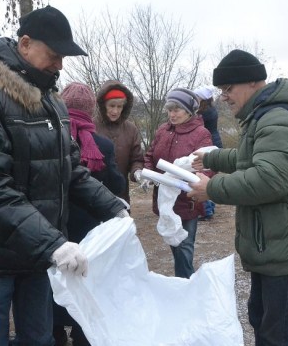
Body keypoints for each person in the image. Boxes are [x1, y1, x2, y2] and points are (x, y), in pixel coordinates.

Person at [0, 6, 128, 346]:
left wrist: (112, 206)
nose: (60, 64)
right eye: (55, 55)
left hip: (37, 254)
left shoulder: (52, 103)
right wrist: (54, 243)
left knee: (39, 338)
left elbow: (69, 168)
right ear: (25, 44)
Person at [187, 49, 288, 345]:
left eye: (228, 88)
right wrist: (214, 159)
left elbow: (269, 179)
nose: (223, 96)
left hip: (284, 250)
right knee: (263, 322)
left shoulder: (278, 118)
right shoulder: (266, 115)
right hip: (272, 245)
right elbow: (253, 157)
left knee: (278, 335)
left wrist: (210, 189)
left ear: (251, 82)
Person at [53, 82, 126, 346]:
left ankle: (56, 332)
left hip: (56, 224)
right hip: (91, 227)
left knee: (57, 278)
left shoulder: (50, 137)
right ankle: (83, 335)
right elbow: (116, 184)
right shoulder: (102, 145)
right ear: (91, 110)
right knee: (86, 279)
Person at [143, 88, 213, 278]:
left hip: (187, 199)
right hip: (165, 200)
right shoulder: (163, 130)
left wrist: (192, 178)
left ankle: (186, 288)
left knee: (184, 249)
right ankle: (183, 285)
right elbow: (150, 155)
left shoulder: (201, 133)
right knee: (175, 245)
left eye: (177, 110)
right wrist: (148, 174)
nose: (172, 114)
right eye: (169, 109)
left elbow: (208, 166)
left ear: (190, 111)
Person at [95, 80, 144, 205]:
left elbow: (136, 158)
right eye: (111, 106)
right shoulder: (91, 127)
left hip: (121, 195)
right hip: (94, 195)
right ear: (103, 105)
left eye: (119, 106)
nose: (115, 111)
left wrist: (137, 171)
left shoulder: (131, 129)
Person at [193, 86, 221, 220]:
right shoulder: (210, 109)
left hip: (209, 144)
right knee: (208, 175)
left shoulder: (205, 113)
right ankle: (209, 206)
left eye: (197, 97)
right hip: (213, 142)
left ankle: (207, 210)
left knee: (204, 175)